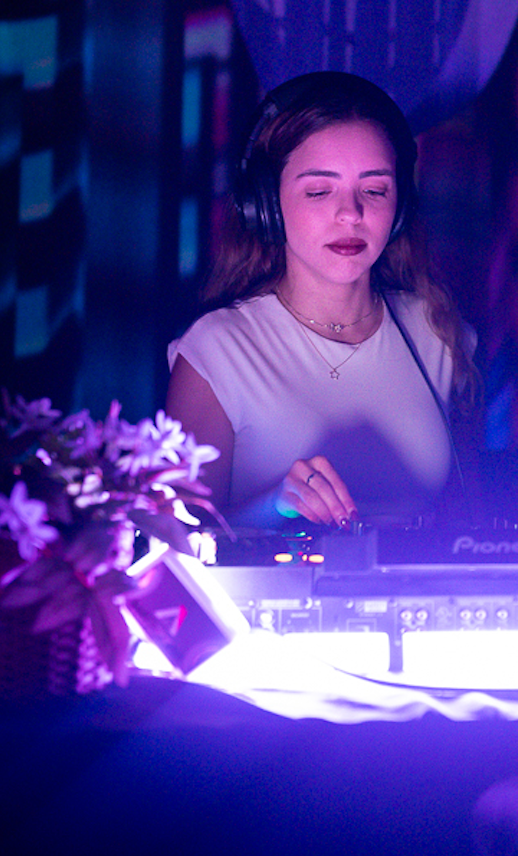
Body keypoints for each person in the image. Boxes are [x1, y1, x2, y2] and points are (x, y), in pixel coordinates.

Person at [166, 71, 477, 529]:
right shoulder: (217, 351)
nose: (351, 213)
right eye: (318, 190)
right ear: (266, 206)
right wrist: (273, 507)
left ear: (400, 206)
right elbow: (176, 549)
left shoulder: (437, 332)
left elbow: (471, 525)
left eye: (374, 190)